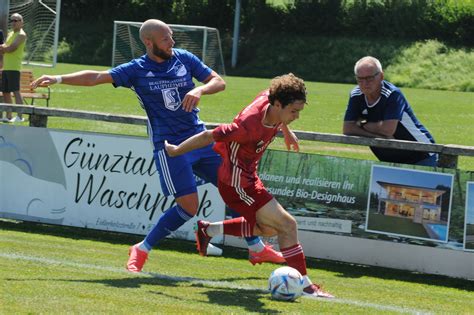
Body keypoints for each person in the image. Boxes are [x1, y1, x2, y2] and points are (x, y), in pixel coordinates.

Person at [31, 19, 284, 273]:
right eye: (166, 39)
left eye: (171, 37)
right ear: (148, 42)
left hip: (201, 139)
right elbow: (97, 77)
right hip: (169, 147)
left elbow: (219, 81)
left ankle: (256, 247)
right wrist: (58, 77)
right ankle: (141, 248)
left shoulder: (183, 58)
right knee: (189, 207)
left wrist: (200, 91)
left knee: (236, 189)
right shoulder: (136, 69)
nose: (172, 42)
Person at [165, 73, 334, 298]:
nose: (297, 116)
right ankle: (305, 285)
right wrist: (177, 151)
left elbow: (278, 107)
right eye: (294, 111)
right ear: (277, 104)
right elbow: (207, 136)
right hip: (236, 184)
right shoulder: (246, 125)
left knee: (270, 229)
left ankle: (209, 229)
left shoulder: (272, 100)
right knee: (287, 225)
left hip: (247, 177)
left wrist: (287, 131)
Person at [342, 56, 438, 166]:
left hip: (421, 155)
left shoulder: (392, 94)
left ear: (381, 76)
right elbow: (348, 128)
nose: (365, 83)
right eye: (360, 79)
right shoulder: (356, 95)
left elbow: (388, 130)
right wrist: (378, 135)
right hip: (392, 159)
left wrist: (362, 123)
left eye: (369, 78)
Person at [0, 13, 27, 123]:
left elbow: (11, 48)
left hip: (14, 67)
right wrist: (3, 48)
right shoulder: (11, 33)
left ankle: (20, 116)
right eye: (12, 20)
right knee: (6, 92)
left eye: (17, 20)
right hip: (6, 67)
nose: (14, 22)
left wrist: (3, 48)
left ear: (22, 22)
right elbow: (4, 48)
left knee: (16, 92)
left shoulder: (21, 34)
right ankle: (9, 116)